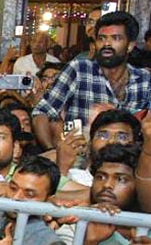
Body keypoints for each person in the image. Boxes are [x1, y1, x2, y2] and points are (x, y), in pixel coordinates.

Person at [32, 11, 151, 150]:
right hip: (79, 163)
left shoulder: (144, 80)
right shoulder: (79, 70)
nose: (106, 43)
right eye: (101, 38)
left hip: (127, 165)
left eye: (115, 38)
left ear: (130, 45)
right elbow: (42, 112)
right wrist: (52, 151)